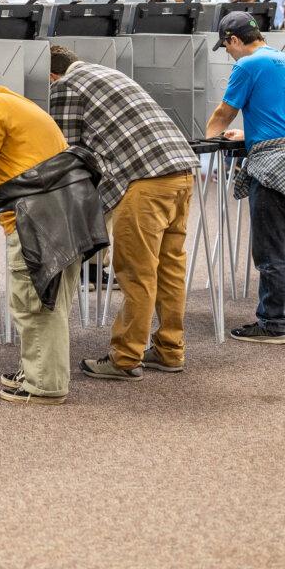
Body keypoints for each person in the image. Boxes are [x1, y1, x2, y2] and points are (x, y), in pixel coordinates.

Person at [47, 47, 198, 380]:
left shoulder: (65, 87)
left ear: (51, 76)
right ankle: (171, 350)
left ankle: (125, 358)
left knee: (136, 272)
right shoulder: (108, 73)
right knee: (169, 267)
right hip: (182, 172)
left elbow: (64, 150)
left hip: (144, 180)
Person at [0, 87, 83, 405]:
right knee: (52, 301)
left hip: (35, 219)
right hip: (64, 210)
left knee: (34, 303)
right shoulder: (12, 103)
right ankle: (38, 372)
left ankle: (44, 387)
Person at [205, 12, 285, 344]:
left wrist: (207, 144)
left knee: (270, 247)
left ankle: (271, 323)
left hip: (273, 165)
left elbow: (223, 112)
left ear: (233, 40)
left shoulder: (247, 65)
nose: (228, 53)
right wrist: (245, 134)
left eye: (226, 47)